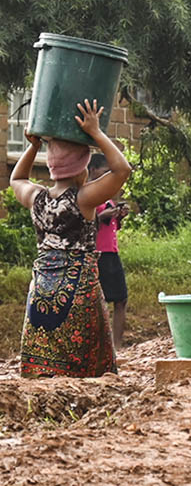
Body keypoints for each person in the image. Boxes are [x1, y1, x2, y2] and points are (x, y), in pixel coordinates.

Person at [11, 99, 131, 377]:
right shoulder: (84, 199)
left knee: (44, 368)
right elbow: (122, 170)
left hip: (41, 289)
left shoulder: (35, 197)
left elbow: (16, 179)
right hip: (77, 291)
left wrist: (33, 147)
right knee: (89, 370)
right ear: (81, 167)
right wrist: (96, 132)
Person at [89, 153, 130, 349]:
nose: (108, 177)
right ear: (92, 170)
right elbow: (81, 226)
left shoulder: (107, 197)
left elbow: (111, 228)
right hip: (97, 255)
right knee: (98, 302)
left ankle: (117, 345)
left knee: (121, 298)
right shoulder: (86, 195)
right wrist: (100, 217)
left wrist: (118, 216)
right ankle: (99, 345)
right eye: (105, 172)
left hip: (112, 254)